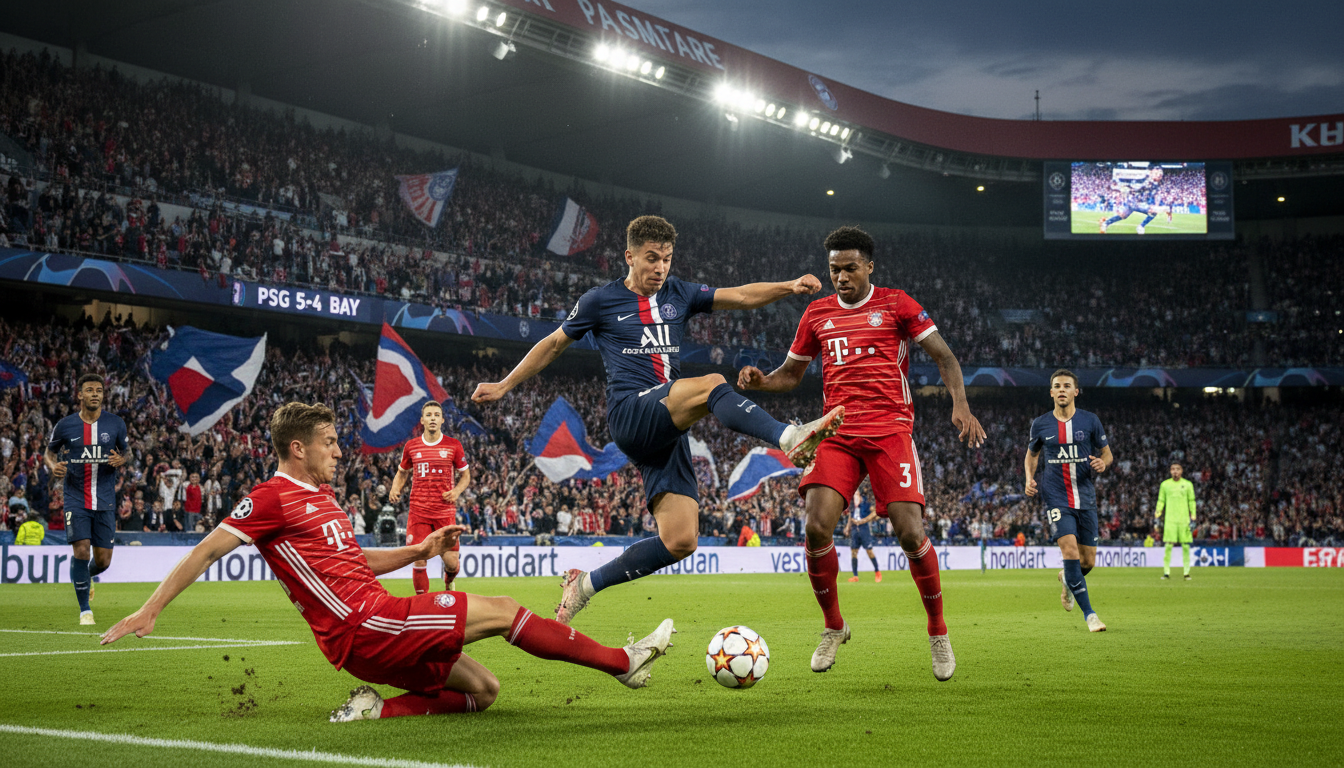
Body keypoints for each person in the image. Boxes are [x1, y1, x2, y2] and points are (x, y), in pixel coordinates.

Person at [101, 402, 675, 721]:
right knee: (502, 609)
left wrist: (418, 551)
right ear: (298, 448)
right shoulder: (270, 498)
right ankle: (622, 662)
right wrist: (150, 610)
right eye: (328, 441)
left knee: (484, 691)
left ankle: (374, 712)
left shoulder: (321, 499)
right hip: (362, 627)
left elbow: (355, 561)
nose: (337, 450)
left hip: (372, 623)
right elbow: (206, 549)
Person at [473, 215, 842, 625]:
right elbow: (555, 343)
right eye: (651, 259)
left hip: (666, 428)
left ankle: (585, 585)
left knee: (681, 540)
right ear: (629, 256)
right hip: (631, 413)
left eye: (666, 259)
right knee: (711, 384)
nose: (660, 268)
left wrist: (788, 287)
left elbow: (738, 295)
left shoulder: (680, 293)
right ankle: (789, 435)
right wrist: (505, 385)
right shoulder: (600, 300)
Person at [737, 225, 985, 681]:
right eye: (834, 269)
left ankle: (937, 632)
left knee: (911, 533)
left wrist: (960, 406)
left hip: (891, 429)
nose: (841, 277)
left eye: (850, 268)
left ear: (869, 266)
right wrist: (762, 381)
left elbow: (944, 356)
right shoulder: (817, 313)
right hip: (838, 430)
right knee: (815, 526)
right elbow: (790, 375)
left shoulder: (897, 304)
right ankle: (834, 626)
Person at [1025, 369, 1114, 633]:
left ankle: (1067, 580)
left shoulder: (1090, 421)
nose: (1061, 389)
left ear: (1076, 391)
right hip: (1056, 497)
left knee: (1087, 562)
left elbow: (1107, 454)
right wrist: (1029, 478)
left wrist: (1103, 463)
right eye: (1057, 386)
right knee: (1071, 552)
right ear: (1051, 392)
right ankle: (1091, 615)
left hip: (1085, 498)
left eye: (1067, 385)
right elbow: (1031, 455)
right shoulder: (1040, 424)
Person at [44, 373, 128, 625]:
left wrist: (121, 460)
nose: (95, 394)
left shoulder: (116, 424)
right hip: (75, 496)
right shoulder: (65, 425)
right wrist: (53, 466)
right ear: (80, 395)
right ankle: (85, 611)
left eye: (99, 390)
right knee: (81, 550)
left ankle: (88, 576)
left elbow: (127, 452)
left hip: (104, 499)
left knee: (102, 561)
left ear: (103, 395)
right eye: (90, 390)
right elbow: (49, 452)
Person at [389, 401, 471, 594]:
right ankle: (422, 605)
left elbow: (465, 475)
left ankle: (449, 578)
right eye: (429, 415)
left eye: (436, 415)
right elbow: (402, 472)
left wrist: (457, 491)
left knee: (452, 563)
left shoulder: (453, 445)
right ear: (422, 420)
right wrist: (395, 488)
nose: (432, 418)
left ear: (442, 420)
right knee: (419, 557)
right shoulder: (411, 446)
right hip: (419, 512)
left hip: (444, 512)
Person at [1155, 462, 1197, 580]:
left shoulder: (1188, 484)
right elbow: (1161, 500)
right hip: (1170, 520)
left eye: (1177, 469)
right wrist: (1157, 514)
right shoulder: (1165, 485)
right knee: (1168, 546)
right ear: (1170, 471)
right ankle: (1166, 572)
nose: (1175, 471)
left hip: (1184, 520)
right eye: (1173, 469)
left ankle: (1186, 572)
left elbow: (1191, 501)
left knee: (1185, 546)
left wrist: (1193, 515)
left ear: (1181, 471)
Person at [843, 489, 881, 583]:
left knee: (869, 551)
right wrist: (847, 527)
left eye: (856, 493)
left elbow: (875, 512)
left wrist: (864, 521)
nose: (855, 495)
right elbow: (850, 515)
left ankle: (877, 571)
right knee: (854, 552)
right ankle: (855, 576)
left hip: (864, 529)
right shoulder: (851, 504)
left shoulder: (866, 503)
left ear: (859, 495)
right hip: (855, 530)